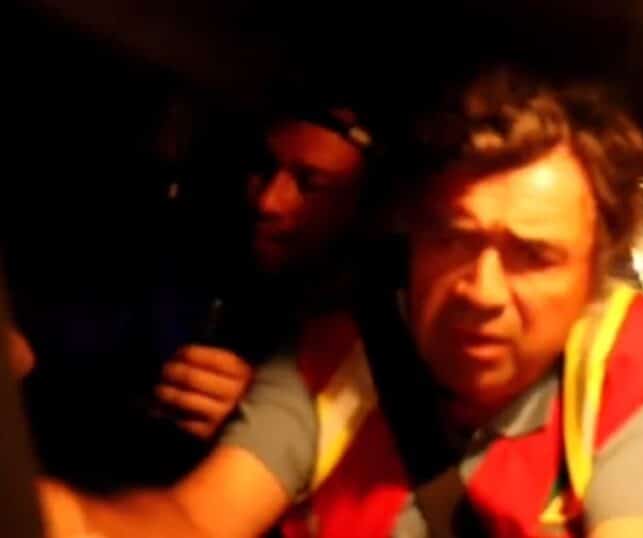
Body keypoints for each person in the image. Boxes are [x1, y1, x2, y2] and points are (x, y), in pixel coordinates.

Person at [40, 68, 643, 538]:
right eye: (452, 239)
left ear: (593, 275)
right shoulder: (336, 358)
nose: (481, 292)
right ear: (412, 239)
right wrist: (60, 518)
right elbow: (195, 520)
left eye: (535, 255)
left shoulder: (639, 372)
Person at [37, 101, 384, 538]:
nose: (268, 201)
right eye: (263, 169)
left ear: (364, 209)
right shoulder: (183, 262)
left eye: (309, 185)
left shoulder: (354, 354)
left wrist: (246, 421)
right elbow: (64, 341)